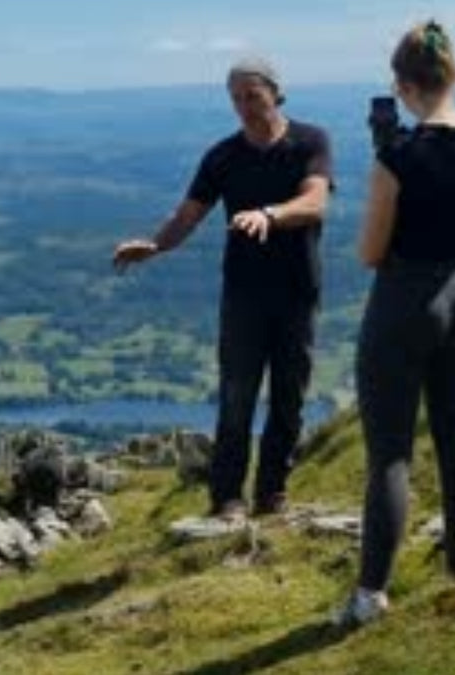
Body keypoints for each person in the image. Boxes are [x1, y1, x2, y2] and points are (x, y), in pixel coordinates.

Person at [336, 20, 455, 627]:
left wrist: (386, 159)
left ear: (403, 86)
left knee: (390, 455)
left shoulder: (398, 157)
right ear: (451, 73)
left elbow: (370, 252)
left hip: (405, 301)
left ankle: (369, 596)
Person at [112, 57, 333, 521]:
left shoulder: (309, 142)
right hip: (244, 296)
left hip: (297, 291)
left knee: (289, 398)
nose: (244, 106)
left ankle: (272, 493)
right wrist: (153, 245)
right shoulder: (223, 156)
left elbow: (315, 202)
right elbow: (188, 215)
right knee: (237, 397)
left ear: (276, 93)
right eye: (235, 97)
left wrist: (268, 214)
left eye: (252, 95)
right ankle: (227, 498)